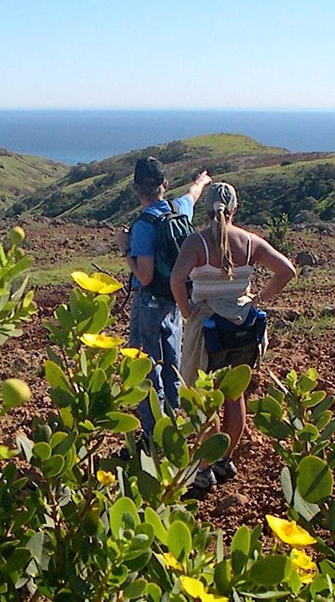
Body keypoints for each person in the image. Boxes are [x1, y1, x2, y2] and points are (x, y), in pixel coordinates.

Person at [170, 182, 296, 492]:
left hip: (208, 329)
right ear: (235, 209)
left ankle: (204, 468)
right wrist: (259, 298)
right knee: (234, 395)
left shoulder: (196, 243)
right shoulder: (251, 243)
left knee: (203, 398)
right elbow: (287, 271)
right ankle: (225, 459)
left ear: (206, 208)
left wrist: (187, 310)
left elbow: (176, 279)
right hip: (242, 328)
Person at [116, 156, 212, 437]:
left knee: (147, 368)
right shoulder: (178, 209)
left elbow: (144, 276)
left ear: (136, 188)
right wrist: (201, 181)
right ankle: (174, 429)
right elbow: (192, 196)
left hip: (149, 303)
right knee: (173, 365)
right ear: (164, 184)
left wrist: (125, 249)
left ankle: (152, 436)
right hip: (175, 298)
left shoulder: (143, 227)